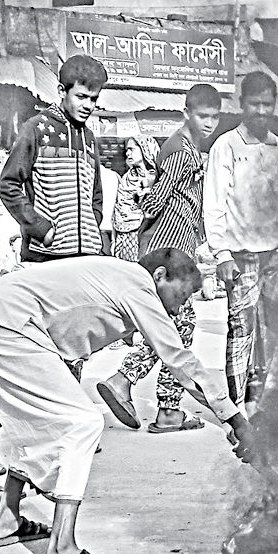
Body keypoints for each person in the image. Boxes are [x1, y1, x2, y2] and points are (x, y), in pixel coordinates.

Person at [0, 249, 255, 554]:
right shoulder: (138, 286)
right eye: (181, 296)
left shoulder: (115, 277)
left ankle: (7, 519)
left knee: (33, 423)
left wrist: (229, 422)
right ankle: (61, 551)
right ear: (159, 276)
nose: (179, 308)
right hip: (4, 328)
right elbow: (179, 360)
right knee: (82, 424)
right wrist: (236, 420)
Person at [99, 83, 220, 433]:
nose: (209, 123)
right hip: (169, 249)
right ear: (187, 113)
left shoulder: (187, 147)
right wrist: (149, 204)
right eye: (202, 116)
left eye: (214, 117)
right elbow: (155, 201)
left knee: (174, 327)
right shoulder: (181, 150)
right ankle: (138, 390)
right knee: (175, 328)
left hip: (176, 247)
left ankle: (160, 404)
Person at [202, 71, 278, 411]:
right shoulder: (225, 146)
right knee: (241, 330)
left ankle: (266, 403)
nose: (261, 111)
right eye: (255, 104)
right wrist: (222, 254)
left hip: (275, 255)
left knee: (275, 331)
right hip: (240, 256)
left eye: (267, 104)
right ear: (242, 105)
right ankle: (237, 409)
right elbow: (214, 203)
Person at [0, 55, 106, 264]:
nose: (88, 105)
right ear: (61, 91)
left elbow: (96, 194)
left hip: (86, 256)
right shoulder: (36, 128)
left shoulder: (89, 138)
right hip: (44, 256)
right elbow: (8, 185)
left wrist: (92, 227)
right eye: (81, 97)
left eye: (93, 99)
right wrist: (40, 228)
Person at [106, 136, 158, 262]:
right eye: (126, 150)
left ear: (145, 149)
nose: (128, 153)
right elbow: (118, 210)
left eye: (132, 149)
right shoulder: (126, 179)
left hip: (147, 235)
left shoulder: (157, 179)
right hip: (123, 238)